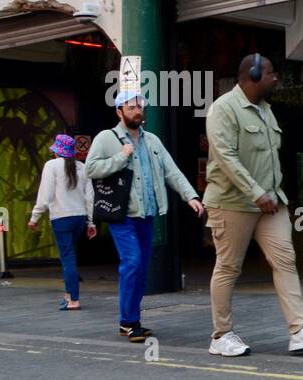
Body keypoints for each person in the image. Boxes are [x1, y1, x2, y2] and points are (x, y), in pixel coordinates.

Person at [202, 54, 303, 356]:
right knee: (228, 267)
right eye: (271, 73)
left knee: (285, 260)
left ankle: (299, 330)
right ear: (252, 75)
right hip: (231, 202)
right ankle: (221, 335)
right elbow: (225, 157)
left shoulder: (266, 111)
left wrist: (270, 194)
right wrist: (255, 192)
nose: (276, 78)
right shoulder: (223, 109)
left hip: (270, 203)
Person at [84, 92, 205, 343]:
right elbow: (91, 169)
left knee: (141, 269)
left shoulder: (152, 141)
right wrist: (121, 156)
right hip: (123, 215)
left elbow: (172, 171)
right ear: (119, 111)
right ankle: (128, 321)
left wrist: (190, 196)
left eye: (140, 106)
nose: (138, 110)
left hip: (148, 214)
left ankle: (130, 321)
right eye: (132, 107)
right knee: (132, 263)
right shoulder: (108, 138)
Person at [28, 134, 96, 310]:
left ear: (56, 152)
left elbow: (46, 194)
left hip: (61, 218)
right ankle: (68, 295)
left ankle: (73, 299)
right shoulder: (82, 167)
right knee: (69, 255)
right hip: (79, 218)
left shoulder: (51, 166)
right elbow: (90, 197)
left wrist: (35, 217)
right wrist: (91, 223)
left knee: (67, 258)